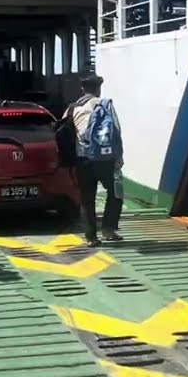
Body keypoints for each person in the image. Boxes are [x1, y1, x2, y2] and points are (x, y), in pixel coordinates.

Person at [63, 73, 124, 247]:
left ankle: (91, 237)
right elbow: (116, 131)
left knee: (87, 199)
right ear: (98, 89)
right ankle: (109, 230)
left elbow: (64, 133)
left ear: (82, 89)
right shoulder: (105, 105)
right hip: (106, 159)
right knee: (115, 194)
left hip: (83, 160)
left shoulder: (73, 108)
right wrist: (119, 157)